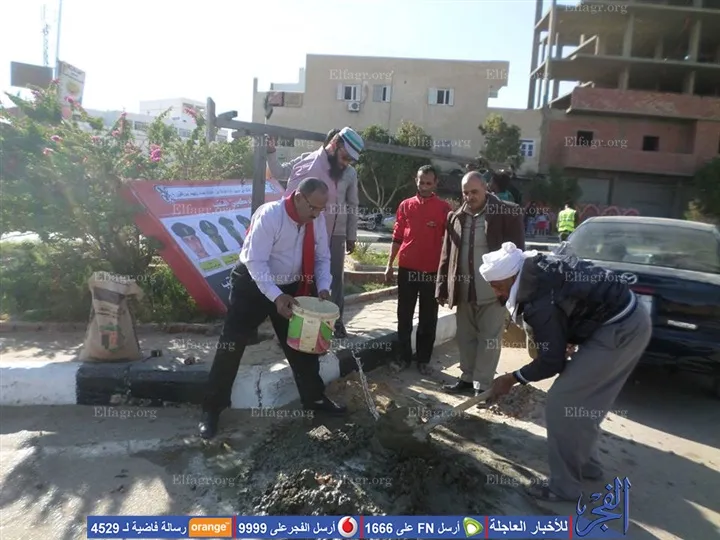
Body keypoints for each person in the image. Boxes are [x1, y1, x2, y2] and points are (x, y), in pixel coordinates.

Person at [480, 242, 652, 502]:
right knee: (585, 403)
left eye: (497, 285)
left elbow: (551, 362)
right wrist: (567, 334)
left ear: (512, 276)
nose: (496, 292)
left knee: (562, 402)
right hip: (628, 319)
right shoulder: (536, 272)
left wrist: (512, 378)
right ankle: (586, 464)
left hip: (620, 330)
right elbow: (570, 306)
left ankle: (564, 487)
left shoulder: (538, 301)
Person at [198, 178, 346, 440]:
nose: (316, 214)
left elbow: (322, 257)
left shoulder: (315, 219)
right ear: (298, 198)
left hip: (291, 287)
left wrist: (323, 287)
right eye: (313, 207)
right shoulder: (270, 216)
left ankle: (314, 398)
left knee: (303, 345)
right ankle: (212, 408)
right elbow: (256, 262)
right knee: (232, 345)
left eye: (321, 209)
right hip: (253, 284)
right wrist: (276, 297)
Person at [436, 172, 525, 396]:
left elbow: (518, 255)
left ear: (486, 188)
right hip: (464, 290)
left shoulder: (507, 213)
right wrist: (442, 286)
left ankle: (482, 385)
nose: (469, 197)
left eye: (474, 192)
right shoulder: (455, 217)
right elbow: (447, 254)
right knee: (465, 338)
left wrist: (515, 289)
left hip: (494, 293)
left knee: (489, 339)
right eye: (465, 193)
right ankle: (467, 378)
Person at [285, 127, 363, 338]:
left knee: (333, 279)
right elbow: (290, 206)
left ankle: (332, 324)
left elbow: (352, 205)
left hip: (334, 235)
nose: (346, 163)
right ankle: (298, 327)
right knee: (305, 279)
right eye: (345, 157)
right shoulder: (310, 166)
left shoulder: (343, 171)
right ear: (334, 144)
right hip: (307, 236)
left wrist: (351, 235)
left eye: (350, 160)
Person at [386, 165, 451, 375]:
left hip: (431, 272)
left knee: (428, 318)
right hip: (407, 269)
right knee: (404, 316)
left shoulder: (444, 209)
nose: (424, 186)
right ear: (416, 180)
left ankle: (423, 360)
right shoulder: (405, 206)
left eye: (428, 183)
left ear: (436, 183)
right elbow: (397, 236)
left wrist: (447, 274)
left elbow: (449, 243)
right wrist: (389, 265)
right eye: (421, 182)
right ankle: (403, 358)